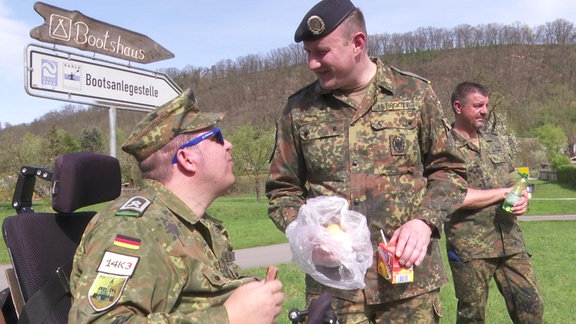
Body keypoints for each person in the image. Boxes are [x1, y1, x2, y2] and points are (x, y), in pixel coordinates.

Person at [265, 0, 468, 322]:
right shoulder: (298, 109)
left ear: (358, 43)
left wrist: (424, 221)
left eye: (322, 52)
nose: (313, 64)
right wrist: (303, 234)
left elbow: (450, 171)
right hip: (334, 286)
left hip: (408, 285)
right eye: (309, 54)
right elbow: (281, 189)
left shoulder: (414, 94)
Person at [68, 89, 284, 323]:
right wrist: (229, 317)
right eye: (216, 138)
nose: (229, 145)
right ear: (187, 159)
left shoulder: (196, 224)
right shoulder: (134, 228)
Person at [444, 82, 544, 323]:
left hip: (510, 241)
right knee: (472, 316)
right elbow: (452, 195)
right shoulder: (444, 146)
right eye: (478, 105)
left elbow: (514, 179)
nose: (485, 111)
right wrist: (503, 192)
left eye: (487, 105)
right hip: (471, 248)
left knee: (531, 307)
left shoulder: (494, 142)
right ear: (458, 107)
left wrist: (522, 198)